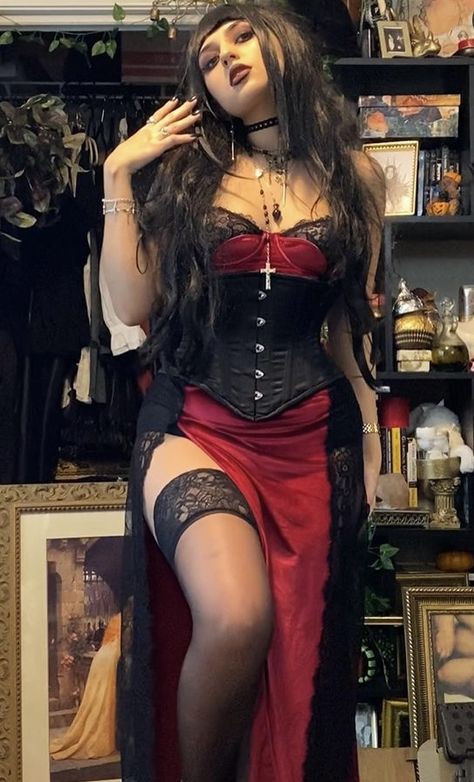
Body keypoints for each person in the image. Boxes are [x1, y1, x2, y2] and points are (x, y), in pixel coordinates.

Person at [100, 4, 384, 781]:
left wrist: (372, 442)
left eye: (241, 35)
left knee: (298, 651)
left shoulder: (355, 179)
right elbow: (131, 303)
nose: (224, 55)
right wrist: (118, 173)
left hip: (311, 438)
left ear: (282, 44)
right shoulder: (185, 176)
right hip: (194, 424)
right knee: (236, 618)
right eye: (208, 56)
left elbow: (346, 337)